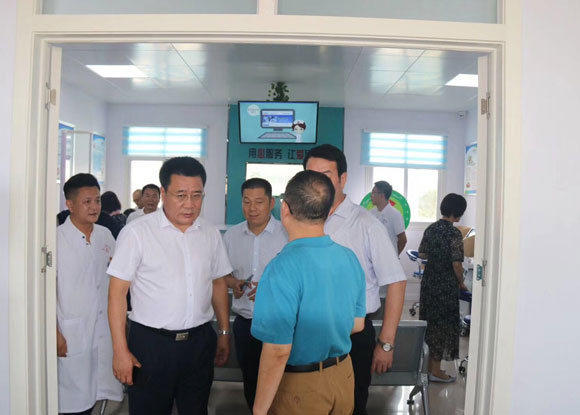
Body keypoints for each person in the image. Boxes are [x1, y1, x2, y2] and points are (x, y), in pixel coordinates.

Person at [107, 157, 233, 415]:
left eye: (197, 195)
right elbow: (117, 294)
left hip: (199, 343)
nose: (190, 204)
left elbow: (218, 282)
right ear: (163, 193)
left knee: (196, 409)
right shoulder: (137, 232)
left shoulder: (209, 233)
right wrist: (120, 351)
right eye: (181, 195)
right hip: (152, 345)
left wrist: (223, 332)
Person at [252, 170, 366, 415]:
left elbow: (277, 350)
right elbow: (357, 324)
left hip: (301, 387)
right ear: (329, 210)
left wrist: (259, 410)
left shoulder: (281, 267)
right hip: (344, 378)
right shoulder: (349, 257)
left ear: (284, 208)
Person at [304, 144, 407, 415]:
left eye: (326, 175)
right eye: (311, 175)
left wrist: (386, 343)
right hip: (307, 334)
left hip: (353, 336)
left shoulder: (366, 224)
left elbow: (397, 281)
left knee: (350, 407)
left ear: (343, 178)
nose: (317, 183)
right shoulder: (300, 220)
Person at [56, 173, 123, 414]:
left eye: (97, 200)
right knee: (73, 400)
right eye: (87, 202)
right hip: (71, 330)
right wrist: (54, 332)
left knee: (101, 392)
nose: (94, 207)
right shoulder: (55, 240)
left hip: (104, 327)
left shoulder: (105, 235)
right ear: (70, 204)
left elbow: (116, 275)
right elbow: (46, 293)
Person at [223, 178, 288, 410]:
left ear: (271, 203)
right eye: (247, 201)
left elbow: (298, 279)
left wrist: (270, 288)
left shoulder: (287, 235)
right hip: (246, 324)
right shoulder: (231, 236)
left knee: (282, 386)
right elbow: (223, 275)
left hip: (279, 323)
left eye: (259, 202)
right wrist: (234, 283)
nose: (252, 208)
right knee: (251, 382)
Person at [418, 193, 468, 383]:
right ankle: (436, 371)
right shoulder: (454, 233)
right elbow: (457, 264)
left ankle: (429, 367)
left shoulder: (431, 228)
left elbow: (422, 253)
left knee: (430, 323)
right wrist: (461, 283)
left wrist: (436, 255)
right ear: (458, 212)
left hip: (430, 282)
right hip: (446, 285)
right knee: (443, 326)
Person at [370, 180, 407, 256]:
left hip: (389, 257)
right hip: (374, 255)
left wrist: (394, 255)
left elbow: (403, 239)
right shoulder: (371, 213)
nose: (371, 196)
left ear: (382, 195)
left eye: (373, 193)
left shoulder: (395, 214)